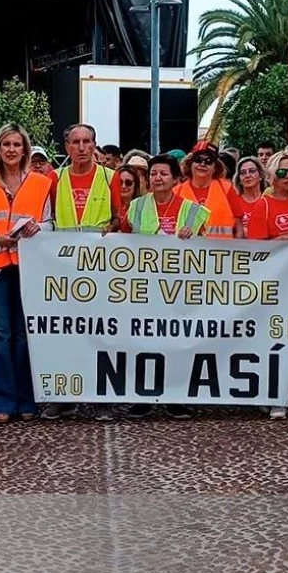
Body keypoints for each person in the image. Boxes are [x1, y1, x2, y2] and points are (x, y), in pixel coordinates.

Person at [0, 123, 53, 424]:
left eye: (17, 144)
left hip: (28, 266)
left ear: (25, 149)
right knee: (1, 333)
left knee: (24, 333)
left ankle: (27, 398)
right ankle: (1, 400)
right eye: (6, 144)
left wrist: (37, 229)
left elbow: (50, 223)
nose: (11, 150)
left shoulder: (41, 184)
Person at [121, 154, 209, 420]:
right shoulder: (136, 206)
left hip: (178, 290)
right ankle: (142, 397)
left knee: (175, 343)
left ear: (176, 179)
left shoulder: (193, 210)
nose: (157, 178)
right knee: (142, 343)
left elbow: (205, 248)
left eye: (163, 174)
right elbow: (123, 241)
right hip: (145, 289)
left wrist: (192, 235)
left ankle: (175, 398)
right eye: (153, 173)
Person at [44, 123, 121, 421]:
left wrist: (111, 229)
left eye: (87, 141)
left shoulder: (109, 177)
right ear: (66, 148)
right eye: (75, 142)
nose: (81, 148)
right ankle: (65, 397)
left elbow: (119, 218)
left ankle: (102, 396)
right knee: (66, 334)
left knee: (102, 333)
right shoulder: (55, 178)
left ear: (95, 145)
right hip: (63, 270)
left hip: (99, 270)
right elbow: (46, 218)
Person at [247, 151, 288, 419]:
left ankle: (281, 386)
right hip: (274, 285)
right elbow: (256, 249)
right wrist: (287, 237)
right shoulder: (263, 205)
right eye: (282, 172)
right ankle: (271, 393)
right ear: (271, 175)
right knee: (273, 339)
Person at [175, 141, 244, 239]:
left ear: (215, 167)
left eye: (209, 161)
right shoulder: (177, 192)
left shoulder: (227, 189)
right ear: (190, 163)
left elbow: (239, 229)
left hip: (221, 251)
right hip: (188, 252)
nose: (202, 164)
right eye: (198, 159)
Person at [233, 157, 266, 235]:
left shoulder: (269, 199)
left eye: (252, 171)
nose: (247, 175)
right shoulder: (233, 202)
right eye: (243, 172)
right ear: (239, 179)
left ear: (260, 175)